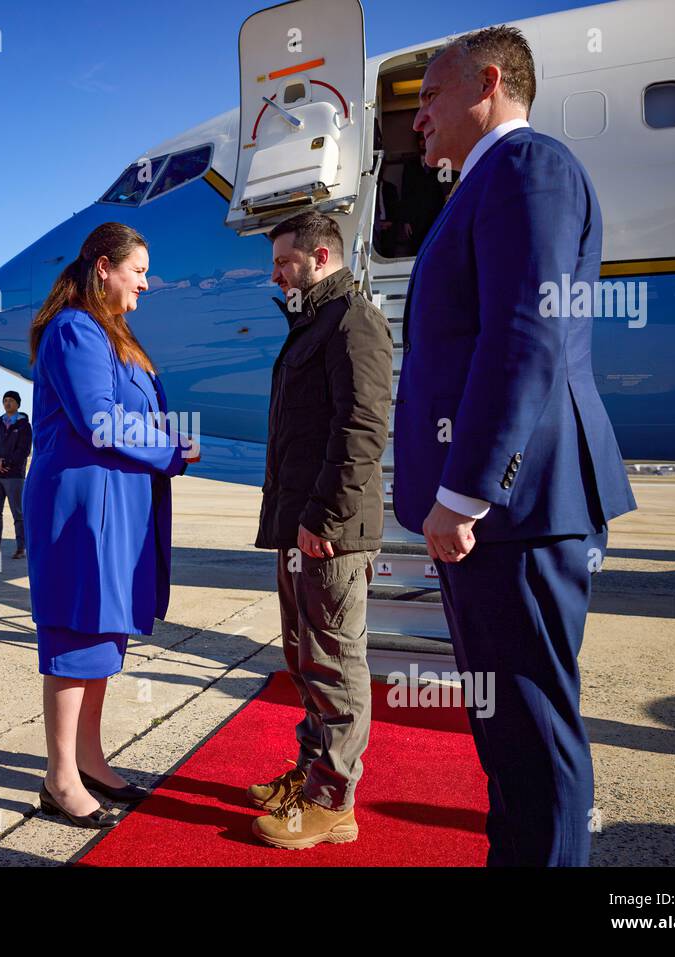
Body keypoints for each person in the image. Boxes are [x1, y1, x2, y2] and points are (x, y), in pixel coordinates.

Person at [395, 25, 636, 866]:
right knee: (507, 736)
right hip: (504, 509)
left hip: (521, 505)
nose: (417, 119)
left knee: (533, 733)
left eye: (428, 96)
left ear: (489, 82)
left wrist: (465, 492)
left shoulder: (527, 168)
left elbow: (524, 334)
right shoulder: (481, 184)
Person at [25, 222, 198, 829]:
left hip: (117, 504)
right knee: (76, 636)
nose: (146, 283)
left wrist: (169, 440)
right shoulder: (75, 329)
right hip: (83, 509)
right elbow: (99, 420)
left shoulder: (110, 334)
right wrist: (171, 450)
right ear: (104, 267)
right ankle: (60, 777)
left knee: (104, 635)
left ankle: (90, 759)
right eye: (139, 271)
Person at [244, 211, 392, 850]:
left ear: (322, 256)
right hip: (301, 526)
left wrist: (324, 519)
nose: (274, 275)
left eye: (284, 262)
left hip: (328, 531)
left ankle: (334, 803)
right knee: (305, 658)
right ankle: (310, 776)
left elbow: (361, 428)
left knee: (333, 662)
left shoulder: (352, 322)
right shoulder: (312, 324)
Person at [0, 389, 31, 559]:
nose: (7, 403)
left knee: (18, 513)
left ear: (17, 404)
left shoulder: (24, 425)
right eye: (5, 400)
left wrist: (6, 463)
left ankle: (21, 548)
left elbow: (23, 450)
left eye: (10, 400)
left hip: (14, 475)